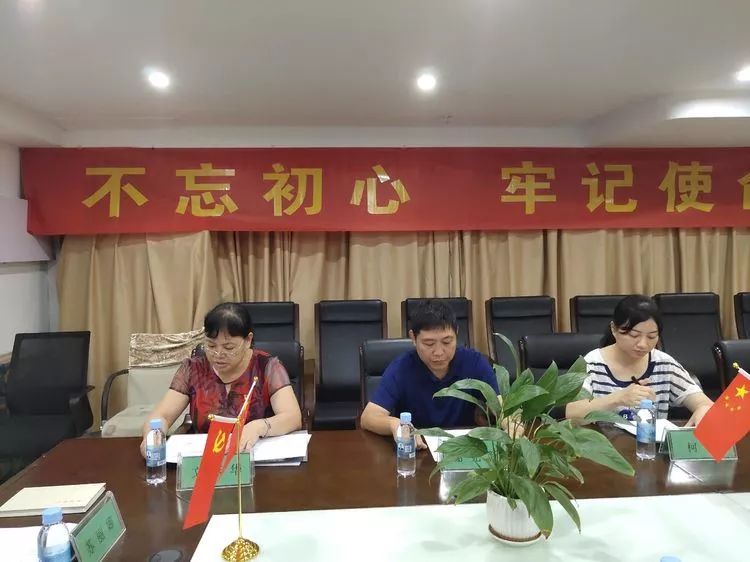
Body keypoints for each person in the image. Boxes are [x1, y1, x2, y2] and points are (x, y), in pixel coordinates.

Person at [140, 302, 302, 456]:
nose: (218, 354)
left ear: (248, 340)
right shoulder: (193, 369)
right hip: (204, 461)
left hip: (254, 459)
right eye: (211, 346)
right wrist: (152, 438)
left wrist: (259, 426)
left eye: (228, 347)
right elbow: (162, 416)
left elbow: (293, 417)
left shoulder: (267, 367)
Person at [360, 299, 499, 449]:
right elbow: (368, 417)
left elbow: (502, 407)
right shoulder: (402, 367)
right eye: (429, 344)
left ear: (457, 333)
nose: (438, 352)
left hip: (464, 449)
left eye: (447, 342)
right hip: (418, 449)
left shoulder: (474, 362)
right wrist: (394, 424)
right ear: (413, 338)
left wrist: (509, 422)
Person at [565, 294, 713, 425]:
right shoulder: (592, 364)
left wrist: (703, 408)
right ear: (614, 329)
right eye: (634, 335)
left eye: (651, 336)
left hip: (650, 445)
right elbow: (571, 413)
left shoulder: (663, 363)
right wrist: (618, 398)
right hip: (605, 446)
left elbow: (705, 404)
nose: (643, 344)